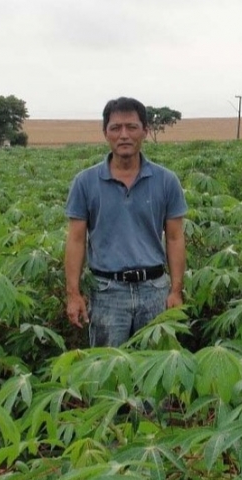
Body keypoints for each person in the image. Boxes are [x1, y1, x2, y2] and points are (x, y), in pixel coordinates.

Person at [65, 96, 188, 347]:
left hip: (154, 290)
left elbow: (175, 238)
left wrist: (175, 291)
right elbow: (76, 240)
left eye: (132, 127)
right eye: (115, 128)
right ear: (105, 133)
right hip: (107, 291)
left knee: (156, 372)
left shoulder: (166, 181)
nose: (124, 135)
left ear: (145, 131)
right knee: (106, 373)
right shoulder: (85, 182)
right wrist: (73, 293)